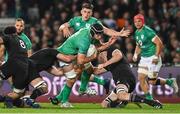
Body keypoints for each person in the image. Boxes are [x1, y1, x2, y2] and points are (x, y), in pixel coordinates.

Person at [50, 2, 130, 106]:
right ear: (81, 12)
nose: (86, 14)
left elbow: (105, 30)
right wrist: (64, 27)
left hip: (87, 49)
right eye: (85, 12)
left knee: (78, 73)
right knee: (82, 72)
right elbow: (62, 26)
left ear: (91, 13)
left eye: (89, 12)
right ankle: (92, 85)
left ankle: (63, 98)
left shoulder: (94, 22)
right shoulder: (76, 20)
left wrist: (118, 33)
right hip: (76, 50)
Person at [95, 45, 162, 109]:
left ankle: (150, 102)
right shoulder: (108, 64)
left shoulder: (111, 50)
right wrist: (85, 64)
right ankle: (126, 100)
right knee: (104, 104)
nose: (99, 59)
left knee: (121, 95)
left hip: (125, 78)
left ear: (102, 53)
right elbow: (96, 72)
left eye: (99, 56)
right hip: (121, 83)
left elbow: (119, 56)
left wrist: (104, 64)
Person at [132, 14, 178, 100]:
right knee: (141, 78)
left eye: (139, 21)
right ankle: (150, 99)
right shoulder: (136, 32)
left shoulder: (148, 31)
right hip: (144, 59)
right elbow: (138, 45)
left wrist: (156, 56)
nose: (137, 23)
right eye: (135, 21)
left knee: (152, 82)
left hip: (153, 58)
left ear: (143, 21)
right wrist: (135, 54)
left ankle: (169, 81)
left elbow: (159, 43)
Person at [0, 26, 48, 108]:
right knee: (18, 93)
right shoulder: (21, 40)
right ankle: (9, 100)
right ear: (15, 32)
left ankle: (5, 100)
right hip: (24, 68)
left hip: (13, 63)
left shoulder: (9, 37)